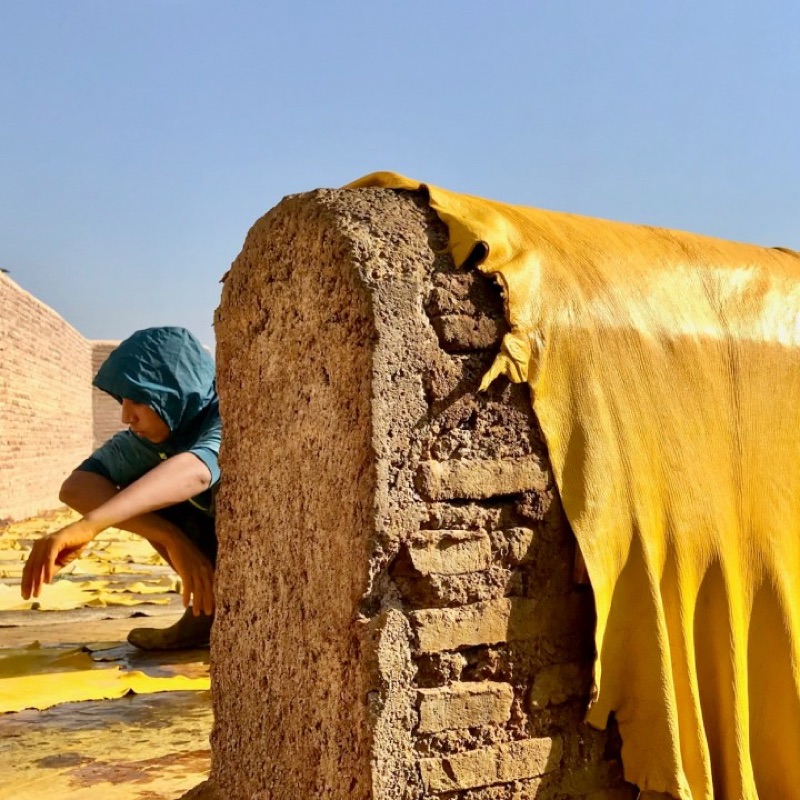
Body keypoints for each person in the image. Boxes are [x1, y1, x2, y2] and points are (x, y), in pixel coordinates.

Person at [21, 326, 220, 651]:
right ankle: (206, 614)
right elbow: (76, 487)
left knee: (154, 487)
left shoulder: (222, 416)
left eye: (139, 400)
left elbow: (195, 472)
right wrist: (170, 536)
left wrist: (90, 525)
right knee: (135, 493)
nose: (127, 416)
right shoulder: (153, 436)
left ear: (173, 393)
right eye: (123, 400)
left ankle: (222, 612)